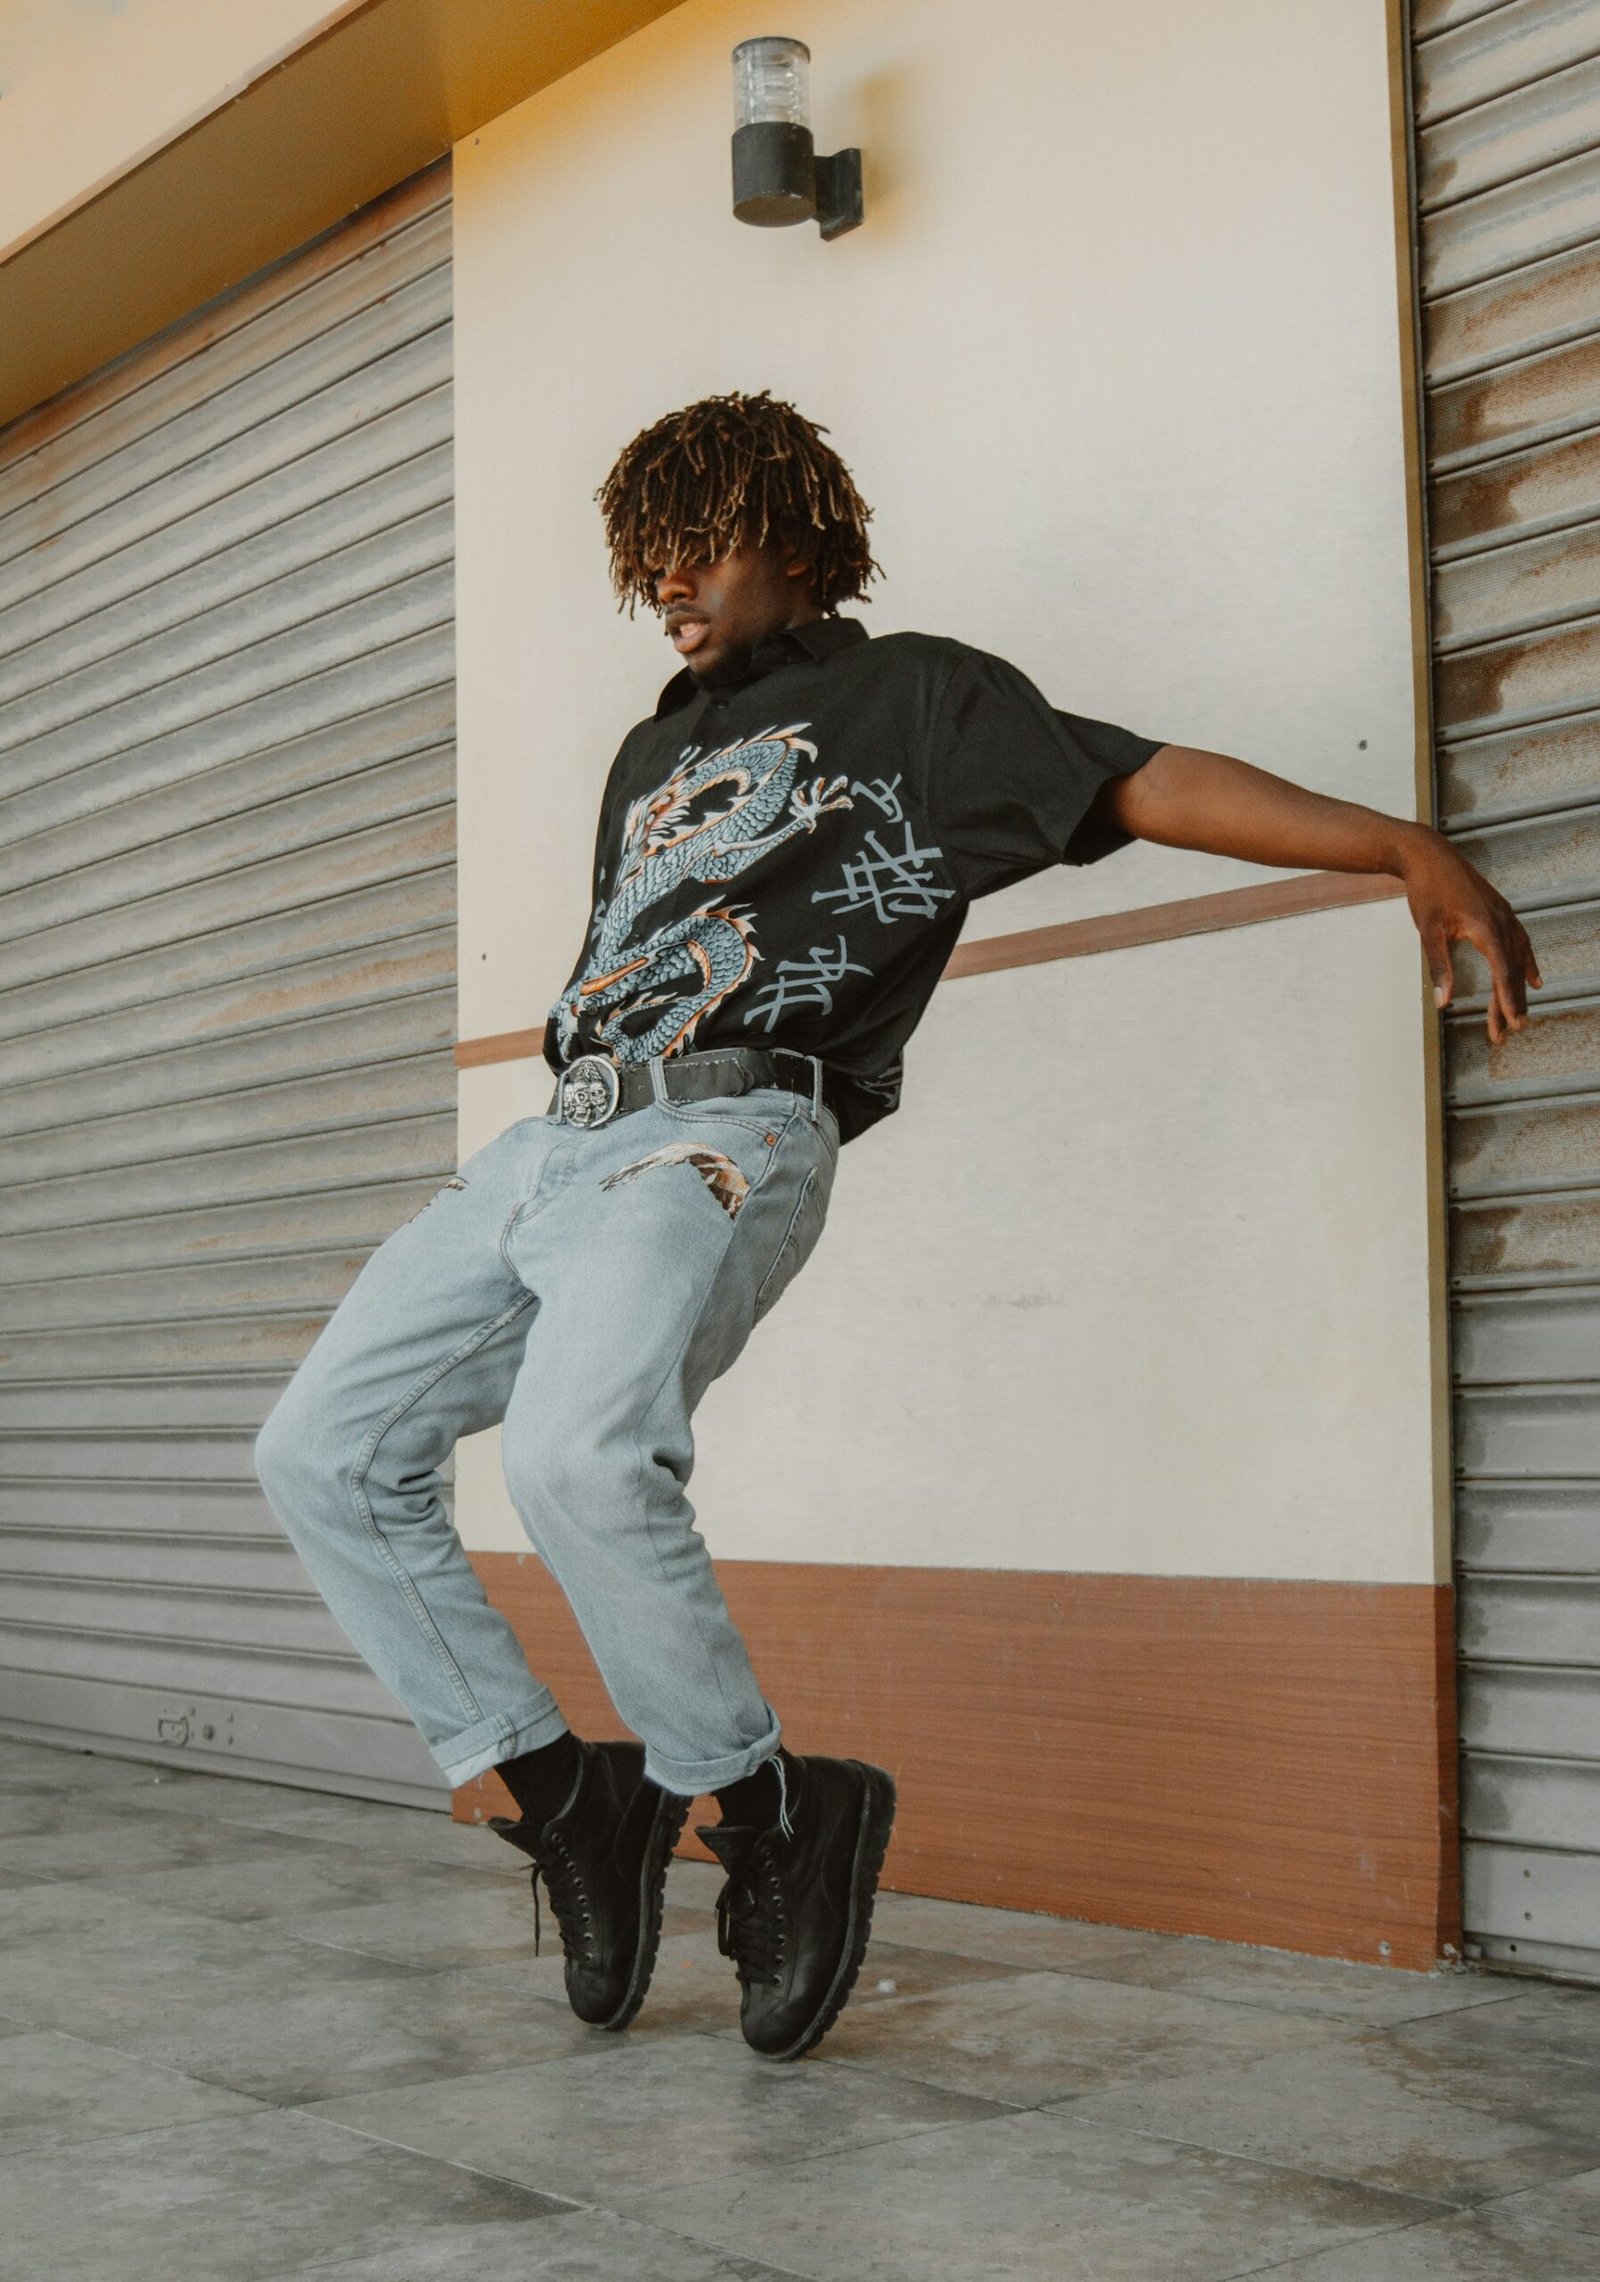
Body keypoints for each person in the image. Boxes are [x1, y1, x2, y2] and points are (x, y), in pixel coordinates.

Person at [255, 390, 1538, 2064]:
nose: (667, 587)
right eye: (644, 561)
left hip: (724, 1129)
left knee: (579, 1456)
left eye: (693, 546)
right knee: (319, 1449)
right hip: (551, 1145)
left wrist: (1393, 843)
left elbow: (1141, 782)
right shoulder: (652, 747)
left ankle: (765, 1813)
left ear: (789, 537)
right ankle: (571, 1798)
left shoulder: (917, 700)